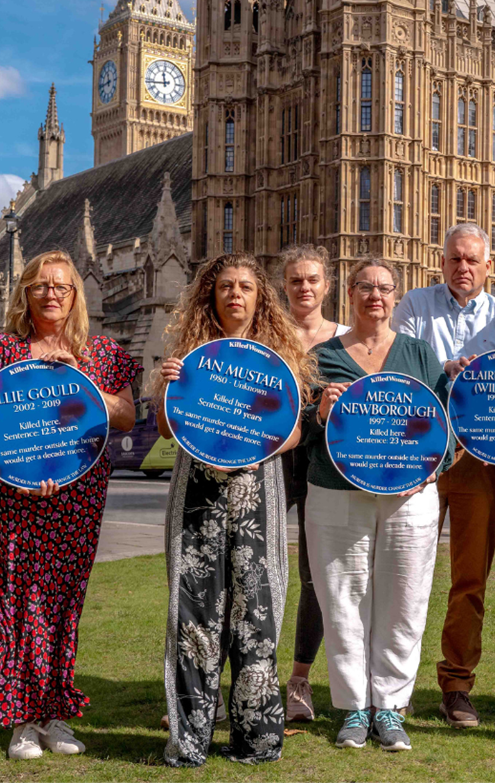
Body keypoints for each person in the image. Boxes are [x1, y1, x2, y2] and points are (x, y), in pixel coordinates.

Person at [0, 251, 139, 761]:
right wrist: (14, 475)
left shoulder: (102, 352)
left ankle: (54, 713)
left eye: (61, 286)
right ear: (25, 292)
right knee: (17, 597)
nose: (51, 294)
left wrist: (88, 385)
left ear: (75, 295)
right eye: (41, 285)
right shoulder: (1, 349)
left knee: (63, 601)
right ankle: (20, 719)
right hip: (16, 495)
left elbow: (127, 416)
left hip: (79, 495)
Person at [154, 254, 314, 767]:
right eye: (225, 286)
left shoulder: (277, 360)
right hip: (196, 494)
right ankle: (190, 739)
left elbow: (292, 433)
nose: (235, 295)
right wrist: (167, 386)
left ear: (258, 296)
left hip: (256, 491)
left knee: (256, 613)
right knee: (194, 616)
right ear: (211, 294)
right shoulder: (189, 354)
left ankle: (257, 740)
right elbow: (163, 427)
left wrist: (258, 446)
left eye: (246, 286)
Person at [304, 258, 453, 753]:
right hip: (336, 490)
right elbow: (296, 426)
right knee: (343, 599)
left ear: (396, 297)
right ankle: (353, 709)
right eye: (365, 287)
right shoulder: (321, 356)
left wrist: (438, 463)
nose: (375, 296)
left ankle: (389, 707)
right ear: (349, 294)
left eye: (385, 289)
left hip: (409, 498)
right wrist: (319, 410)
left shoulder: (418, 353)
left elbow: (447, 420)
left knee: (404, 599)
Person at [391, 223, 495, 728]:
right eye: (454, 258)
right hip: (421, 454)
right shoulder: (414, 307)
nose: (462, 267)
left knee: (470, 577)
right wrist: (445, 370)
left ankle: (457, 684)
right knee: (406, 571)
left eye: (472, 259)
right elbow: (394, 371)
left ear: (488, 266)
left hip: (477, 461)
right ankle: (395, 687)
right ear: (441, 261)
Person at [276, 244, 349, 723]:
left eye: (313, 279)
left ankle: (299, 681)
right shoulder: (267, 338)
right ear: (285, 286)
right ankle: (226, 679)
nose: (305, 287)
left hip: (324, 462)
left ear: (327, 285)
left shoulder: (344, 340)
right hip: (275, 459)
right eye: (296, 279)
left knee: (315, 576)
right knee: (244, 568)